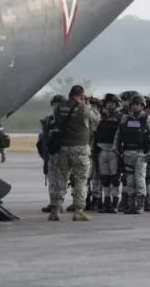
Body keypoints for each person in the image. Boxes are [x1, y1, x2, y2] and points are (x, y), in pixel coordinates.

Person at [48, 85, 100, 221]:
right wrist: (86, 104)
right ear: (82, 96)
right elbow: (97, 118)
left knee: (60, 179)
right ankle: (78, 211)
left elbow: (58, 122)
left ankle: (55, 210)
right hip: (80, 148)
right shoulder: (84, 108)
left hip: (63, 148)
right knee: (81, 181)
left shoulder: (60, 107)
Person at [114, 94, 150, 214]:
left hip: (141, 154)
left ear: (142, 106)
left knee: (139, 178)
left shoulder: (148, 119)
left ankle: (140, 205)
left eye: (137, 104)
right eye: (133, 104)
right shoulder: (125, 119)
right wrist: (116, 149)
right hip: (127, 153)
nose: (135, 107)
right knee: (129, 179)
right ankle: (131, 203)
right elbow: (118, 135)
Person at [37, 94, 66, 213]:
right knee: (52, 180)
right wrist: (44, 157)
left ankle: (60, 203)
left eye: (59, 104)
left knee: (62, 181)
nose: (56, 106)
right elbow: (42, 140)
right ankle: (54, 203)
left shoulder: (68, 120)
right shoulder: (48, 121)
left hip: (64, 154)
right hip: (51, 154)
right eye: (54, 104)